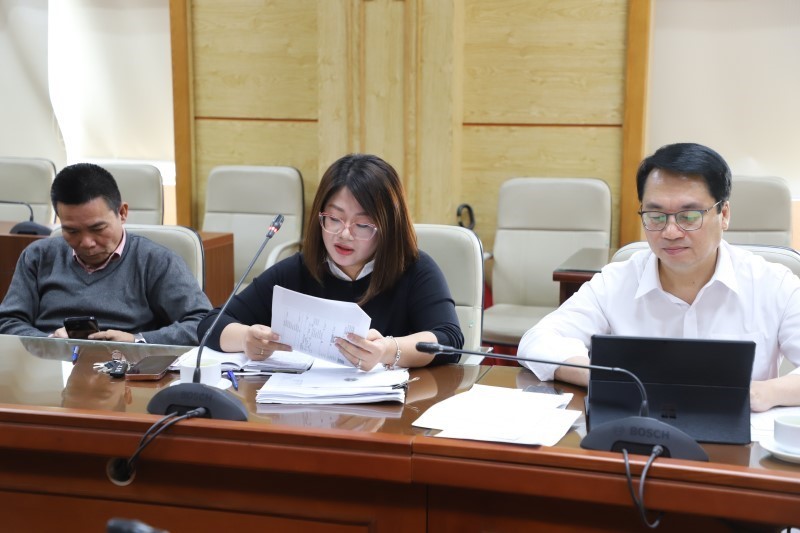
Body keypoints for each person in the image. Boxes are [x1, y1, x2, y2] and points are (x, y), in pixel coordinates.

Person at [518, 142, 800, 412]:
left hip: (742, 436)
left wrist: (763, 393)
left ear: (723, 214)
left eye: (689, 216)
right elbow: (538, 341)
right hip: (639, 431)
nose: (671, 232)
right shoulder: (616, 281)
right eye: (656, 216)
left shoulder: (774, 284)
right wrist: (605, 377)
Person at [198, 153, 463, 369]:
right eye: (334, 219)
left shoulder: (415, 270)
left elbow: (449, 340)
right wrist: (246, 338)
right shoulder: (298, 270)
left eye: (362, 224)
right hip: (307, 405)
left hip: (395, 409)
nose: (344, 234)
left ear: (388, 228)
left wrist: (387, 350)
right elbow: (211, 324)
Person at [0, 163, 211, 345]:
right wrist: (48, 341)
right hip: (52, 367)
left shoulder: (156, 261)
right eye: (72, 231)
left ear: (122, 213)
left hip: (128, 368)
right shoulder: (38, 257)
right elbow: (7, 321)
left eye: (98, 228)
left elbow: (204, 323)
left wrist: (137, 340)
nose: (87, 243)